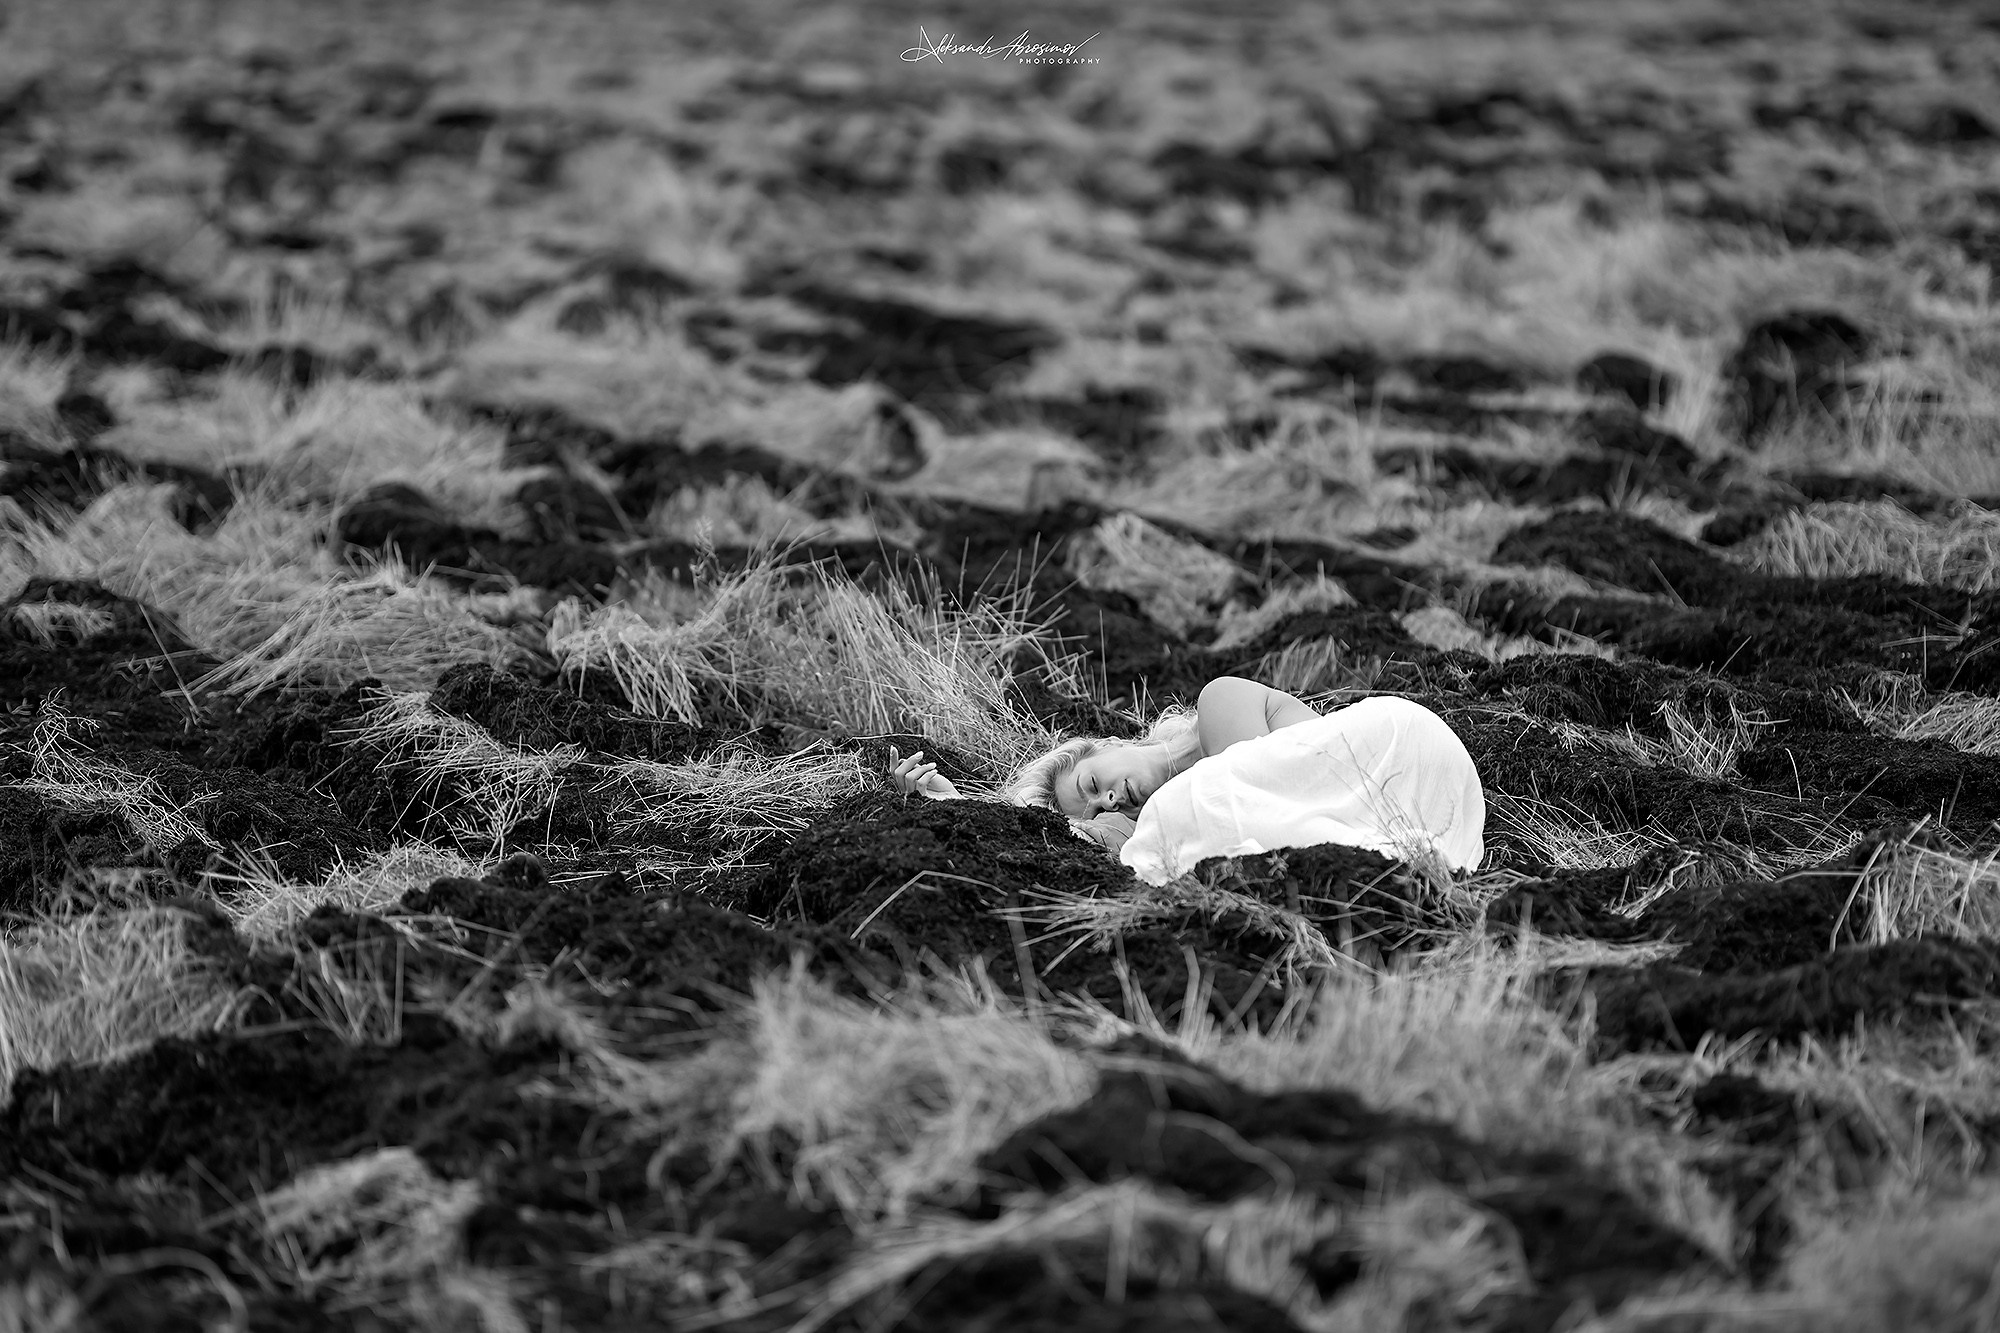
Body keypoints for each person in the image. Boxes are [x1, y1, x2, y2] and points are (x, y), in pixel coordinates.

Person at [888, 676, 1485, 885]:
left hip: (1405, 753)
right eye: (1095, 810)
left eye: (1094, 782)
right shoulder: (1149, 822)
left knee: (1185, 811)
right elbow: (1050, 850)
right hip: (1413, 823)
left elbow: (1278, 780)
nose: (1108, 801)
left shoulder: (1220, 703)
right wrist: (960, 809)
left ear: (1112, 746)